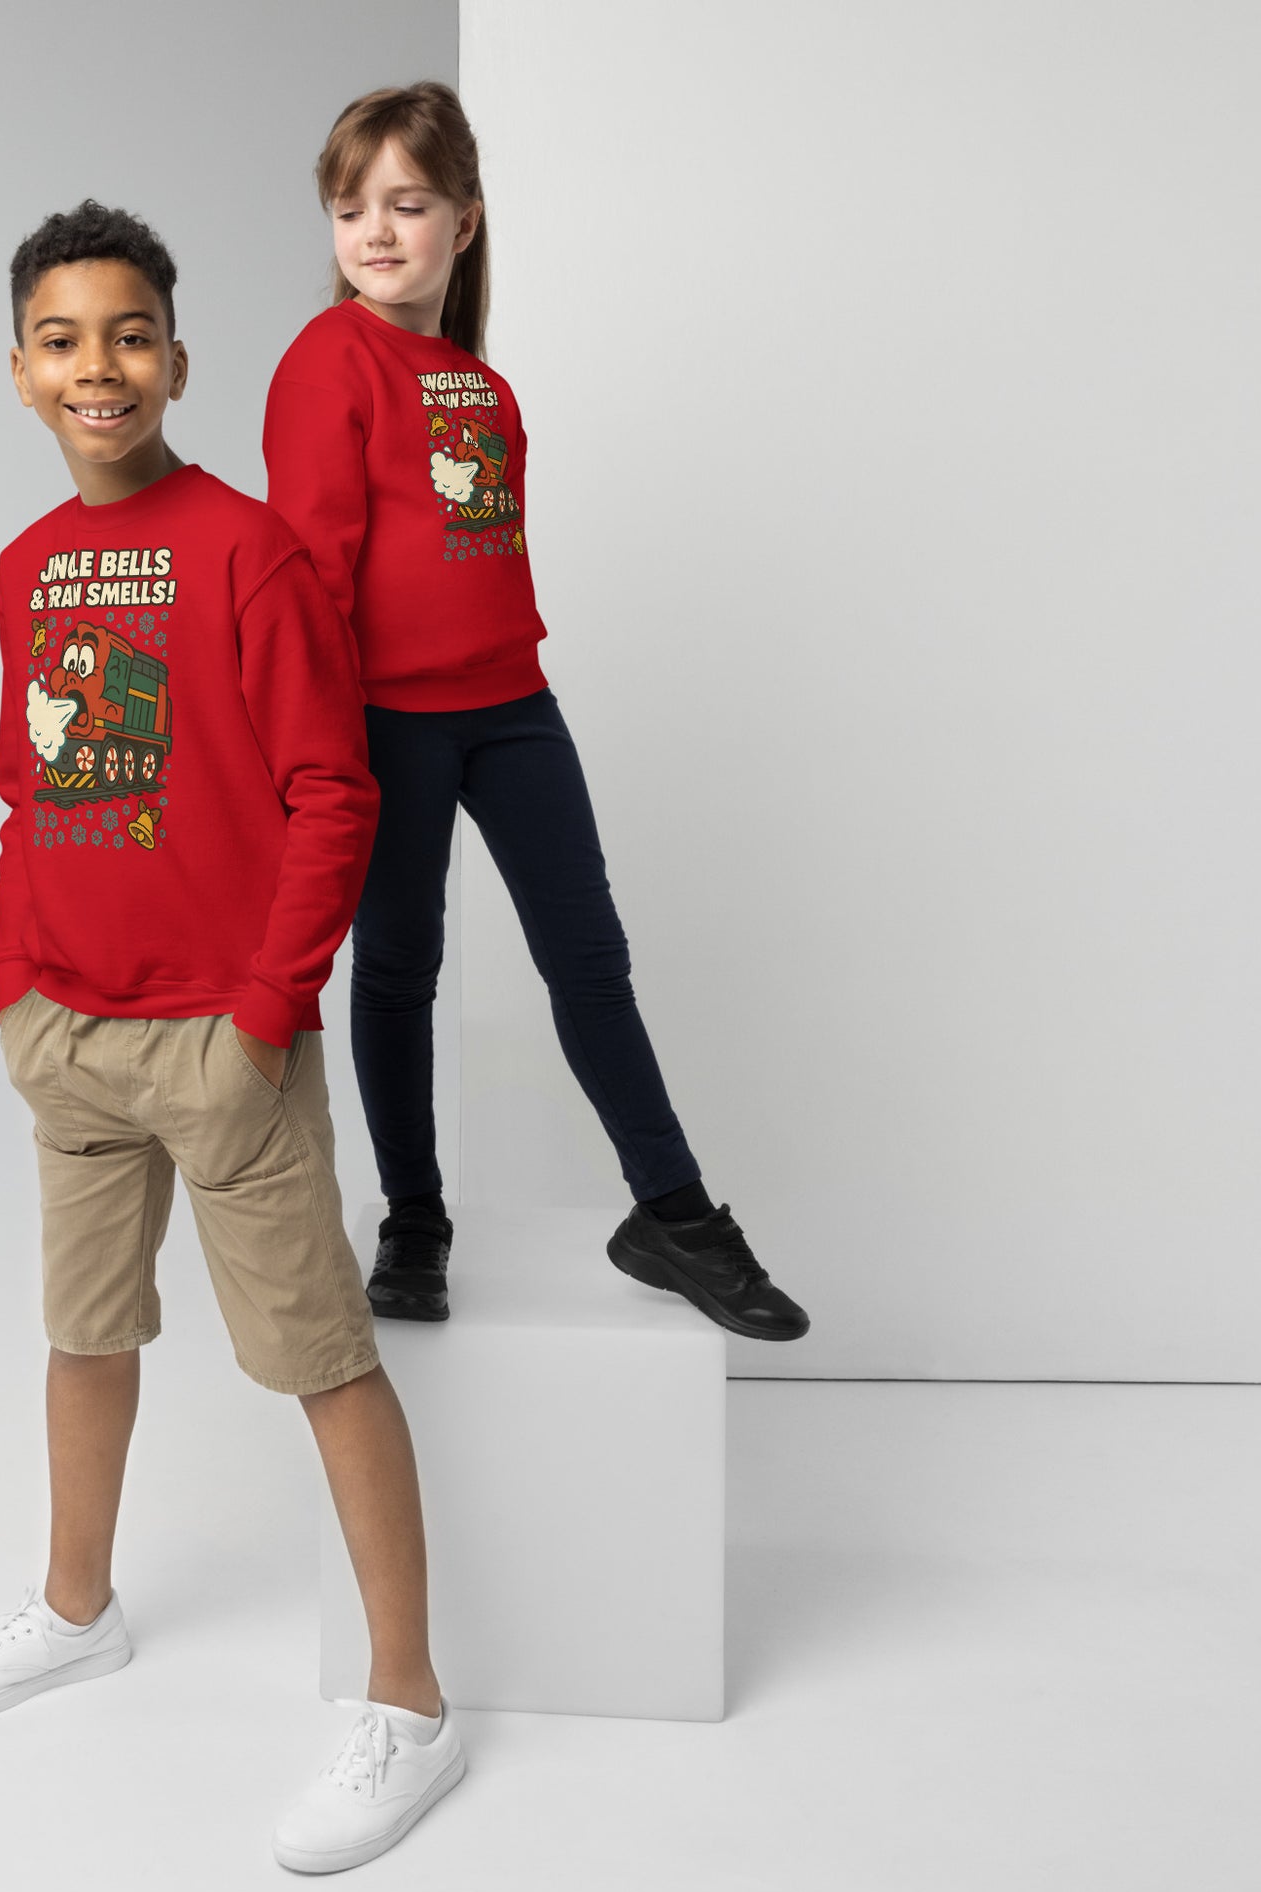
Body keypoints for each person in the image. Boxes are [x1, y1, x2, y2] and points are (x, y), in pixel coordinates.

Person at [0, 200, 465, 1874]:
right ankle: (77, 1607)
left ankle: (410, 1702)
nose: (101, 367)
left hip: (222, 1046)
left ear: (178, 358)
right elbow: (33, 785)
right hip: (67, 1030)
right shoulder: (25, 568)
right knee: (85, 1335)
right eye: (65, 340)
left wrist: (264, 1009)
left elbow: (329, 791)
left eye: (131, 334)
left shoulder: (251, 551)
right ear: (19, 372)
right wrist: (13, 972)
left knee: (319, 1356)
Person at [263, 84, 810, 1343]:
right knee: (398, 972)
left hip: (511, 707)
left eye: (406, 204)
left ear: (464, 219)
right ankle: (412, 1217)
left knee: (590, 964)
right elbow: (312, 573)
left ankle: (669, 1214)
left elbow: (476, 562)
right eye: (351, 209)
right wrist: (315, 751)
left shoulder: (477, 386)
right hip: (387, 717)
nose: (376, 232)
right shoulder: (325, 361)